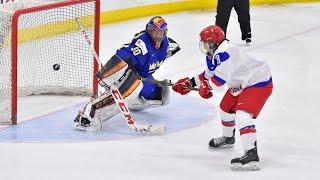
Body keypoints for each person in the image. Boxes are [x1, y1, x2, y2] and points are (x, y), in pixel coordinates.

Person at [172, 25, 272, 171]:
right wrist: (189, 83)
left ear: (213, 41)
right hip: (242, 82)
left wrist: (205, 87)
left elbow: (218, 83)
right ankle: (228, 138)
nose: (204, 45)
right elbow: (207, 75)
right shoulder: (213, 53)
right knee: (226, 108)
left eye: (206, 42)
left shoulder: (225, 53)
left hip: (257, 82)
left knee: (243, 115)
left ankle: (252, 155)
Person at [73, 16, 180, 131]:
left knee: (162, 96)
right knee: (127, 93)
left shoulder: (167, 45)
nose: (158, 34)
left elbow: (172, 48)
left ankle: (132, 100)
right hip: (131, 74)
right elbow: (124, 54)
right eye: (155, 31)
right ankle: (90, 114)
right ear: (149, 30)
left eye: (161, 32)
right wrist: (109, 74)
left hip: (145, 77)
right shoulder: (141, 46)